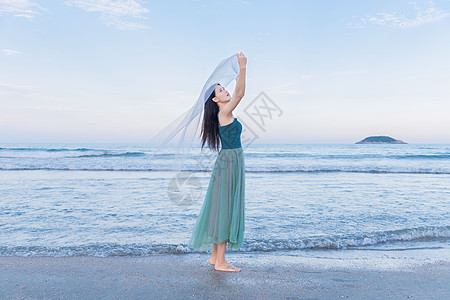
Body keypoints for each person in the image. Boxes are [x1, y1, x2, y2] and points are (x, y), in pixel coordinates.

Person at [188, 52, 247, 272]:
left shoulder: (225, 113)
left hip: (230, 161)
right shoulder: (224, 112)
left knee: (221, 207)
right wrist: (243, 67)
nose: (226, 91)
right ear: (215, 100)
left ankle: (215, 256)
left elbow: (237, 94)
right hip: (230, 163)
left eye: (224, 88)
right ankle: (221, 262)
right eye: (221, 90)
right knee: (225, 209)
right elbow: (240, 93)